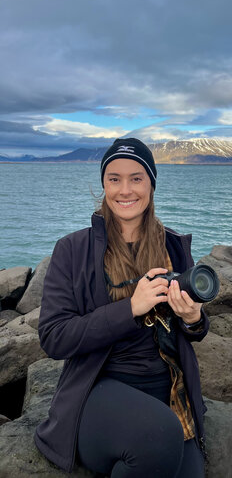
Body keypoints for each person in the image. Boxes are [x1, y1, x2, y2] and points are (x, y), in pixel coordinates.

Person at [34, 137, 209, 477]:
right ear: (103, 184)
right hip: (98, 388)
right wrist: (131, 308)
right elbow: (54, 337)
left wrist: (193, 318)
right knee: (158, 436)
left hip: (167, 386)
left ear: (151, 185)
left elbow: (196, 330)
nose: (125, 190)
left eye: (136, 178)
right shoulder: (72, 249)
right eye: (114, 178)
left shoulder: (172, 244)